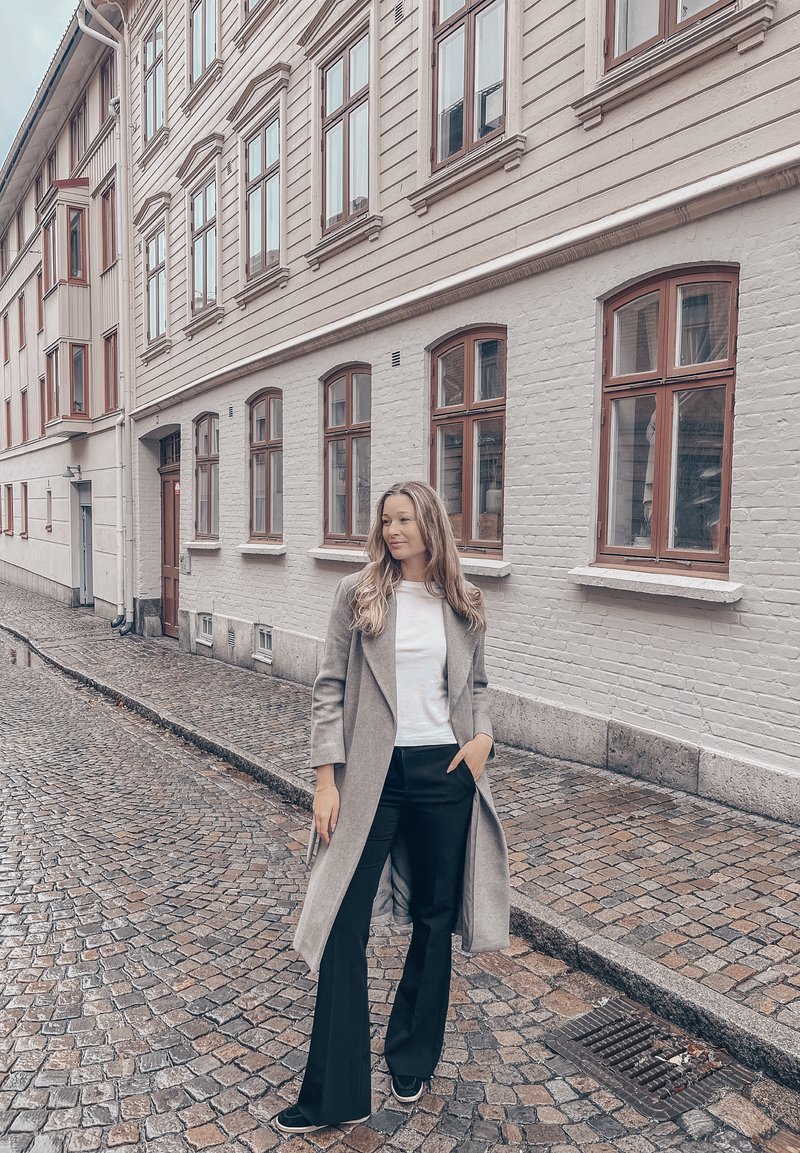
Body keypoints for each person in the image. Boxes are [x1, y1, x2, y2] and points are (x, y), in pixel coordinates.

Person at [274, 480, 510, 1136]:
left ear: (431, 524)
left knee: (435, 918)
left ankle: (412, 1054)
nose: (392, 531)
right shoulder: (358, 595)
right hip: (373, 775)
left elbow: (479, 684)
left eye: (404, 519)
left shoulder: (464, 600)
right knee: (344, 919)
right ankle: (336, 1092)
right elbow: (329, 688)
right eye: (386, 521)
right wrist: (327, 779)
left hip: (445, 771)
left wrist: (484, 736)